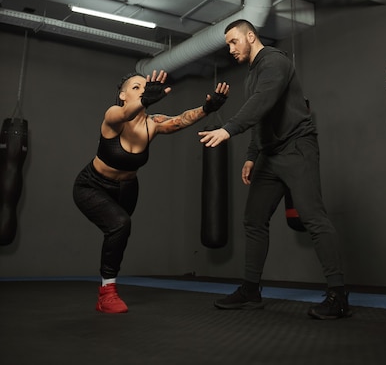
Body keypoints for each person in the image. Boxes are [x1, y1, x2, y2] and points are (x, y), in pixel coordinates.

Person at [198, 20, 351, 320]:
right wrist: (252, 156)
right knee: (253, 220)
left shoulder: (275, 62)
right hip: (270, 155)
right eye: (228, 44)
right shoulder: (251, 75)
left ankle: (338, 295)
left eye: (233, 41)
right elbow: (261, 115)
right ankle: (251, 291)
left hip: (297, 148)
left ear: (250, 36)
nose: (230, 49)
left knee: (313, 217)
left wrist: (229, 129)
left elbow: (263, 101)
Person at [73, 69, 229, 314]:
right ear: (123, 95)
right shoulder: (114, 116)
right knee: (120, 224)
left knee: (118, 232)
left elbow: (180, 120)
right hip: (92, 185)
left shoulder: (151, 124)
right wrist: (143, 101)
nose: (142, 90)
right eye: (135, 87)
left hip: (127, 188)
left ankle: (108, 284)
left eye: (144, 87)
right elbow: (125, 112)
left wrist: (207, 109)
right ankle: (107, 294)